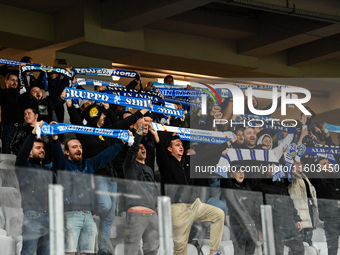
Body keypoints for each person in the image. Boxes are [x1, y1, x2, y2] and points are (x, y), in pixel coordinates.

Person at [151, 129, 224, 255]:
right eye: (177, 144)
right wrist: (156, 137)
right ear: (169, 149)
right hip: (177, 208)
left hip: (194, 204)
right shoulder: (166, 163)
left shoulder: (188, 161)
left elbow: (207, 155)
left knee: (218, 214)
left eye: (181, 144)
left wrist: (224, 144)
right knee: (180, 250)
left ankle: (213, 252)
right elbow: (160, 151)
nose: (181, 146)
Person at [55, 134, 127, 255]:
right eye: (74, 147)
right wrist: (55, 140)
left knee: (88, 252)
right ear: (66, 152)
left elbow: (105, 155)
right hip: (71, 214)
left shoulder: (89, 164)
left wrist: (122, 143)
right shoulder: (63, 165)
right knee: (70, 252)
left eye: (80, 147)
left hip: (88, 216)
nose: (79, 149)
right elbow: (56, 154)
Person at [15, 121, 62, 255]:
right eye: (37, 148)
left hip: (51, 217)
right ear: (29, 152)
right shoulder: (24, 167)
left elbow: (59, 163)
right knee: (28, 252)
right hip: (33, 216)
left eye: (42, 148)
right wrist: (33, 134)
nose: (42, 150)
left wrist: (55, 139)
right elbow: (21, 156)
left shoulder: (48, 170)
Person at [123, 123, 159, 255]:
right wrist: (139, 133)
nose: (142, 149)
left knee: (153, 250)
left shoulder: (149, 168)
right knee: (131, 250)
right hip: (136, 213)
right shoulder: (129, 165)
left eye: (144, 148)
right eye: (139, 148)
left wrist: (157, 210)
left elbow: (154, 190)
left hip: (152, 215)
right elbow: (132, 149)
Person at [254, 165, 304, 255]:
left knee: (299, 247)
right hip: (274, 224)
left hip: (288, 223)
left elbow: (290, 203)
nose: (274, 170)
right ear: (266, 172)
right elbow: (258, 208)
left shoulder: (282, 186)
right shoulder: (260, 187)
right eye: (271, 168)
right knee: (278, 251)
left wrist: (297, 219)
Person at [288, 156, 322, 246]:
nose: (299, 165)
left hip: (309, 216)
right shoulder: (291, 176)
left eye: (300, 163)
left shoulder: (304, 176)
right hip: (299, 218)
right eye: (296, 163)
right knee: (298, 245)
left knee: (308, 244)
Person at [0, 73, 25, 153]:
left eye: (17, 81)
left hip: (20, 128)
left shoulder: (19, 94)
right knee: (7, 153)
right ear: (6, 81)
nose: (15, 82)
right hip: (8, 128)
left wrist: (23, 72)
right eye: (12, 80)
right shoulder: (2, 93)